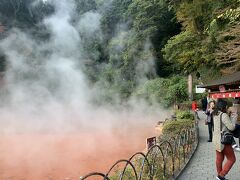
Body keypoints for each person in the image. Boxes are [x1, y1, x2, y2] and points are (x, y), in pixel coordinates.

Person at [213, 100, 235, 180]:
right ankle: (221, 175)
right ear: (223, 107)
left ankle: (219, 176)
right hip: (224, 140)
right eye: (226, 106)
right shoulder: (224, 115)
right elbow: (231, 128)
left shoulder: (215, 113)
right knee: (232, 159)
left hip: (216, 139)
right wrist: (232, 118)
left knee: (219, 158)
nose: (227, 107)